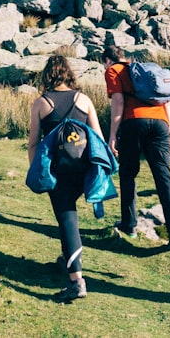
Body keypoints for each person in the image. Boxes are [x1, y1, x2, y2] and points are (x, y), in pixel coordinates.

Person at [28, 55, 106, 302]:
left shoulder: (41, 103)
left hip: (57, 171)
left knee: (67, 218)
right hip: (82, 169)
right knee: (68, 215)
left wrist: (37, 172)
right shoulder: (83, 99)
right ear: (69, 74)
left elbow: (33, 143)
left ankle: (76, 281)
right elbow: (98, 139)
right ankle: (67, 259)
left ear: (47, 75)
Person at [102, 45, 170, 248]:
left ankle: (129, 225)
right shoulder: (145, 70)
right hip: (160, 124)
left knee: (128, 173)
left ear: (107, 60)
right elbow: (166, 102)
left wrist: (112, 135)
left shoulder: (113, 71)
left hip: (134, 122)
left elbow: (118, 102)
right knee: (164, 176)